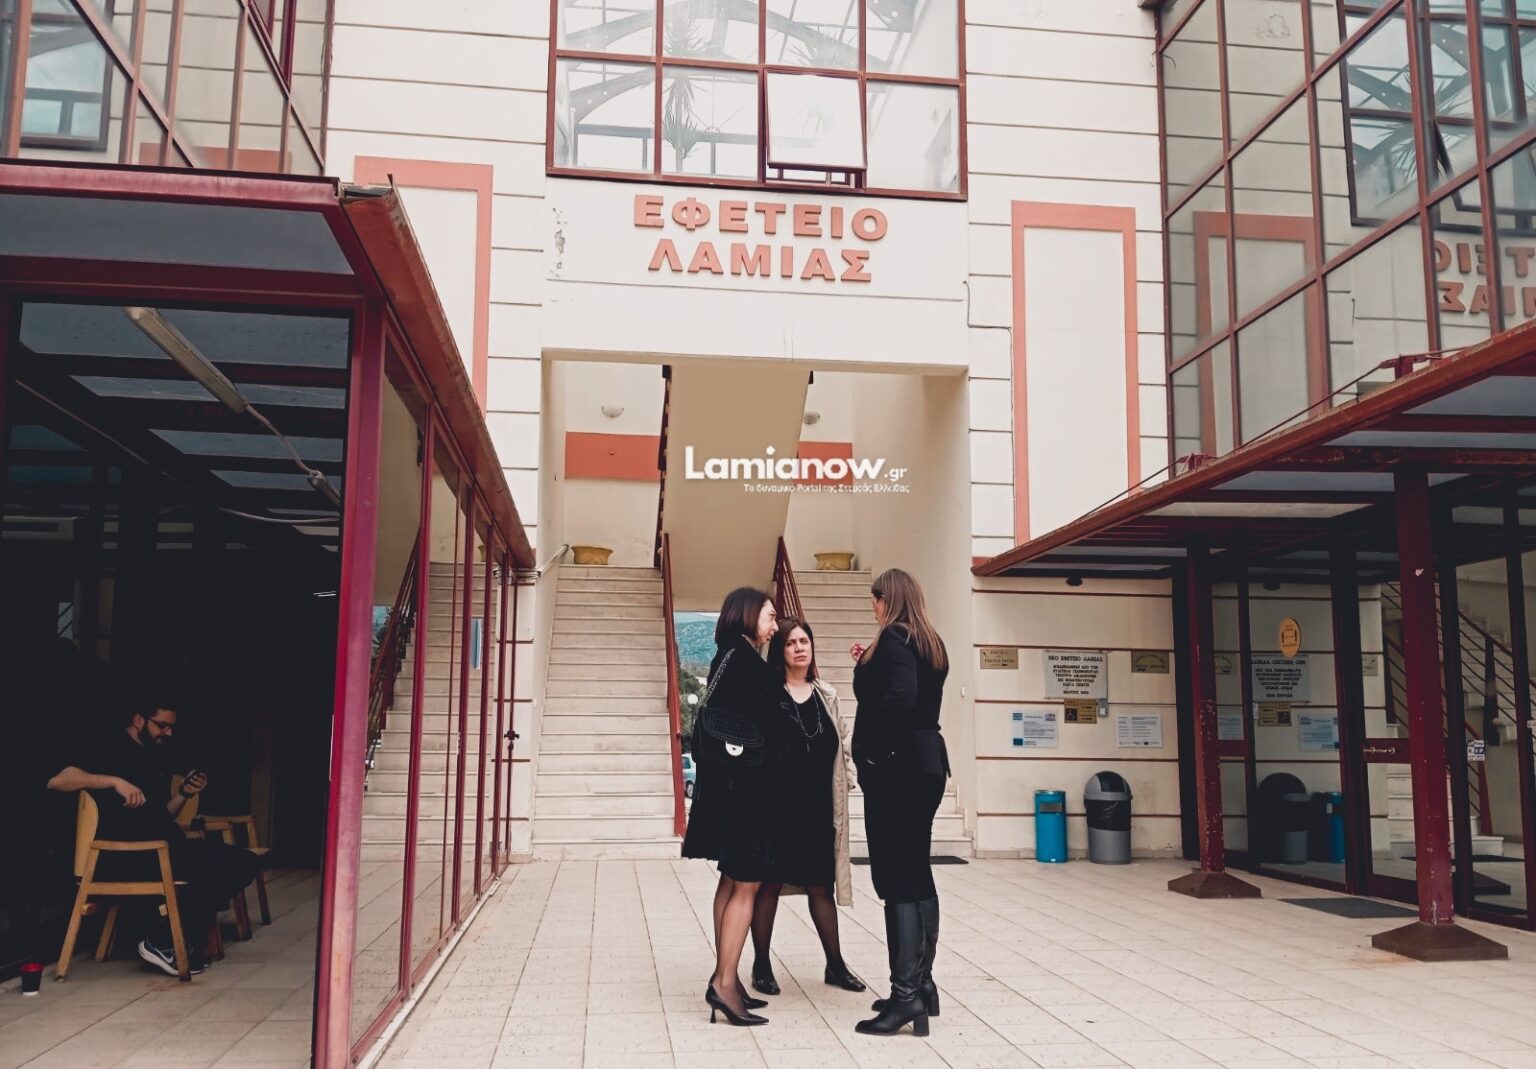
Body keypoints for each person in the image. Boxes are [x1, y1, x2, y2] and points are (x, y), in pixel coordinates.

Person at [47, 698, 262, 977]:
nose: (168, 732)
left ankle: (166, 937)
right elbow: (58, 781)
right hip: (127, 856)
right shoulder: (109, 747)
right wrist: (114, 781)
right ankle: (165, 941)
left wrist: (184, 794)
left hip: (162, 847)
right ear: (139, 720)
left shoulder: (153, 756)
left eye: (171, 727)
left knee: (245, 861)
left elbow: (161, 815)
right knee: (220, 868)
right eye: (162, 726)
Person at [850, 568, 949, 1037]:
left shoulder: (894, 637)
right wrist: (867, 667)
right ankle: (922, 985)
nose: (872, 608)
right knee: (917, 873)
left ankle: (905, 996)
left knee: (897, 880)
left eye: (874, 600)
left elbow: (899, 698)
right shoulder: (930, 641)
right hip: (927, 763)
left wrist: (871, 753)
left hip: (899, 770)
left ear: (887, 599)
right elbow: (908, 690)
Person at [748, 616, 864, 997]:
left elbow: (843, 743)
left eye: (804, 641)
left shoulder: (826, 694)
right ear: (779, 651)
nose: (799, 648)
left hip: (818, 810)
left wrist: (848, 780)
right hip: (775, 810)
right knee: (769, 886)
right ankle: (761, 965)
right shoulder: (767, 694)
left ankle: (836, 965)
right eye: (790, 643)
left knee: (820, 886)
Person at [680, 587, 779, 1026]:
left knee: (731, 880)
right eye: (769, 616)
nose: (774, 625)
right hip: (748, 792)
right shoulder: (744, 660)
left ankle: (728, 977)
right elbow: (766, 723)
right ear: (747, 615)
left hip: (728, 788)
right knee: (747, 885)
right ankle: (723, 985)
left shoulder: (726, 655)